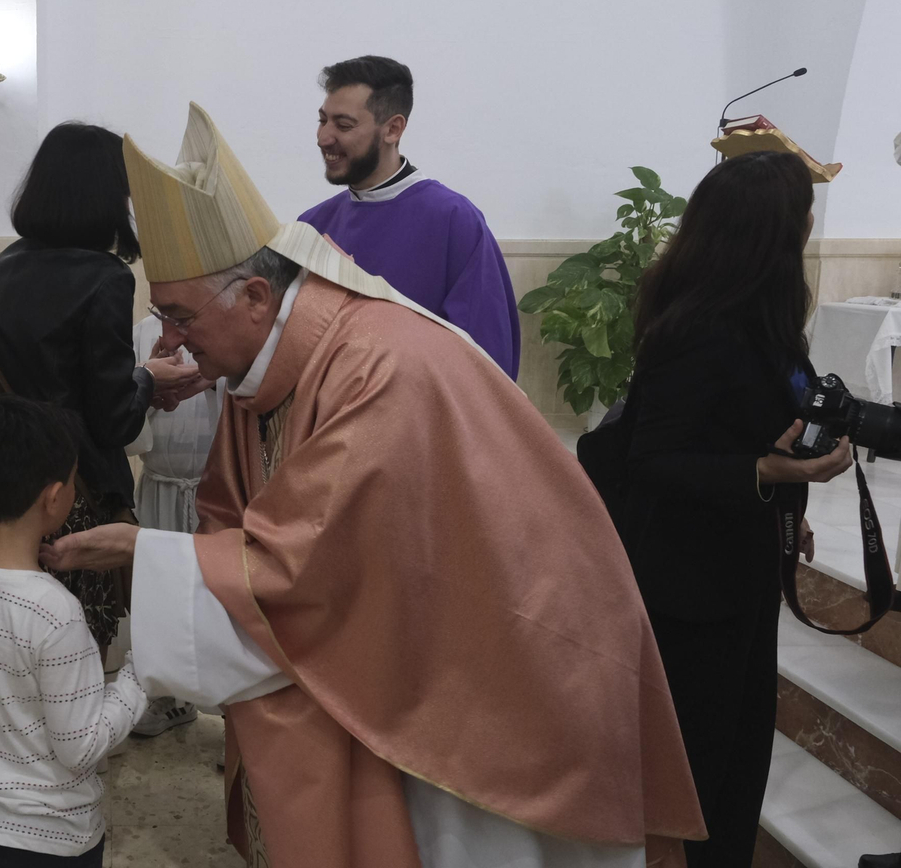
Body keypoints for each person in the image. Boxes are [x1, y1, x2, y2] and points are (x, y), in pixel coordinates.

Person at [42, 103, 706, 867]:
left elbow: (313, 567)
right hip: (425, 649)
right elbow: (245, 524)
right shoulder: (264, 367)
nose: (171, 342)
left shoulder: (373, 368)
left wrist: (143, 552)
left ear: (255, 298)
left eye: (180, 316)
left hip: (503, 670)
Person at [620, 150, 851, 867]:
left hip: (742, 568)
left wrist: (786, 489)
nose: (811, 223)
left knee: (740, 758)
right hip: (690, 588)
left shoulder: (765, 319)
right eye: (804, 212)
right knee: (702, 767)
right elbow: (648, 459)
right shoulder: (697, 331)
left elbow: (745, 426)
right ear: (775, 233)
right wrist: (763, 469)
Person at [0, 122, 204, 658]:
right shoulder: (104, 276)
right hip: (66, 496)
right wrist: (148, 379)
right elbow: (112, 421)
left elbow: (33, 384)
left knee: (8, 638)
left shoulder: (3, 266)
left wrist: (139, 381)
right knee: (69, 644)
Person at [0, 396, 147, 867]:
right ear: (54, 498)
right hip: (49, 838)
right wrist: (139, 678)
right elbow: (82, 745)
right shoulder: (55, 613)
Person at [299, 55, 520, 378]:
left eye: (343, 125)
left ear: (393, 129)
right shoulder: (313, 225)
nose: (323, 137)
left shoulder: (454, 221)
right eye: (323, 120)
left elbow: (485, 362)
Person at [124, 316, 223, 740]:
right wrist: (147, 380)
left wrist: (215, 378)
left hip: (213, 490)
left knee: (217, 604)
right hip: (161, 485)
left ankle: (231, 719)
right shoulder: (144, 330)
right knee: (161, 599)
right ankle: (168, 699)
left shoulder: (223, 326)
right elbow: (125, 403)